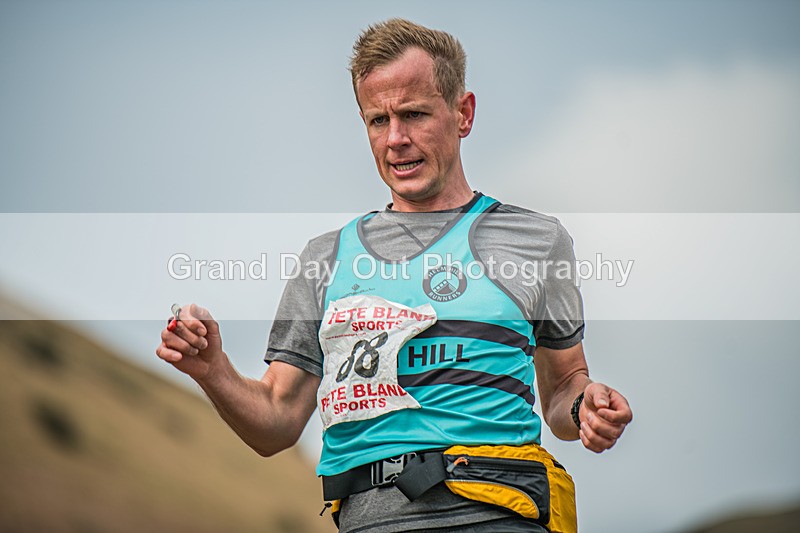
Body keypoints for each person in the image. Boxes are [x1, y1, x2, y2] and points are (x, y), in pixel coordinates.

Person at [156, 18, 632, 532]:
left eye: (414, 114)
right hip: (367, 521)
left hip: (497, 513)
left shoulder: (536, 240)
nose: (396, 139)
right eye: (377, 121)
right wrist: (212, 368)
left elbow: (562, 387)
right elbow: (276, 421)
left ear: (463, 113)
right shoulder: (326, 259)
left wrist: (586, 405)